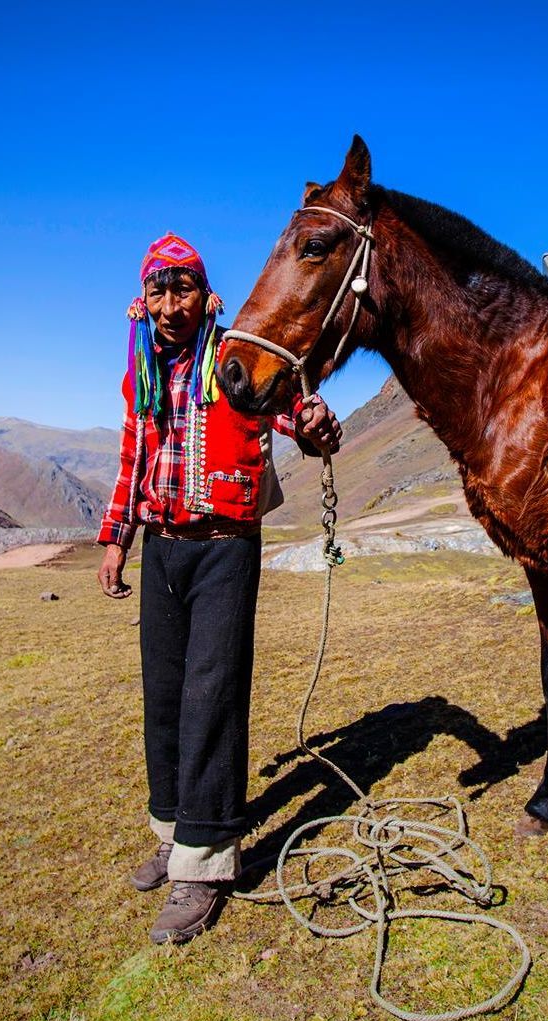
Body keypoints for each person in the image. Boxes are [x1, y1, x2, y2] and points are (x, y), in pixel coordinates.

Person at [96, 233, 341, 945]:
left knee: (212, 697)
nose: (173, 307)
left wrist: (317, 424)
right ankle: (175, 834)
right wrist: (117, 539)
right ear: (144, 300)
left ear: (208, 296)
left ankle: (204, 869)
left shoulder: (237, 354)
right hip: (164, 551)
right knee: (165, 698)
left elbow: (294, 410)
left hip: (225, 549)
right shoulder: (141, 369)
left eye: (185, 291)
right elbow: (131, 457)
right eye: (160, 292)